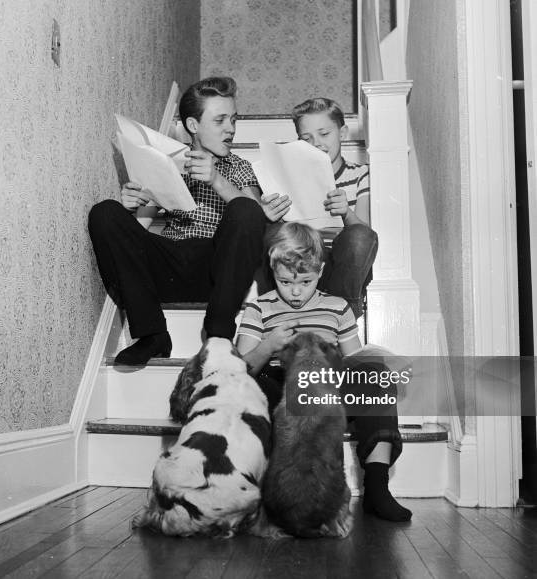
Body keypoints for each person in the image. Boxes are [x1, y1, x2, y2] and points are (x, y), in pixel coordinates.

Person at [236, 222, 412, 522]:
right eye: (284, 281)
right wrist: (268, 345)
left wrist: (381, 363)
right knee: (250, 387)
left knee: (375, 378)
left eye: (305, 282)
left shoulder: (337, 307)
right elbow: (239, 370)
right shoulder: (260, 308)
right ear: (273, 271)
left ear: (319, 272)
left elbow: (354, 359)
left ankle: (377, 489)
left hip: (327, 385)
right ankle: (261, 487)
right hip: (281, 387)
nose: (294, 291)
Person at [88, 77, 269, 365]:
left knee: (245, 211)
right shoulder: (167, 161)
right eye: (220, 120)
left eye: (233, 120)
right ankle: (153, 334)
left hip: (216, 272)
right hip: (169, 265)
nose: (231, 129)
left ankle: (219, 335)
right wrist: (135, 205)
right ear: (193, 125)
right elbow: (137, 236)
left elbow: (255, 217)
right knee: (105, 213)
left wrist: (216, 180)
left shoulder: (239, 167)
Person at [260, 98, 378, 319]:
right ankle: (278, 311)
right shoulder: (289, 178)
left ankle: (341, 314)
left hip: (343, 268)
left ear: (342, 133)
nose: (317, 144)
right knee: (269, 230)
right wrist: (270, 216)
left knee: (359, 236)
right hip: (302, 265)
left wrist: (346, 212)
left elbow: (366, 234)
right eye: (307, 138)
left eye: (324, 134)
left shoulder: (361, 174)